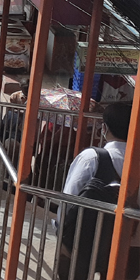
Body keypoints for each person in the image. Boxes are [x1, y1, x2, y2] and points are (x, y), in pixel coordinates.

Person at [58, 102, 131, 280]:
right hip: (129, 245)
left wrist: (60, 229)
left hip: (84, 240)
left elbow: (69, 198)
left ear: (104, 128)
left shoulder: (92, 157)